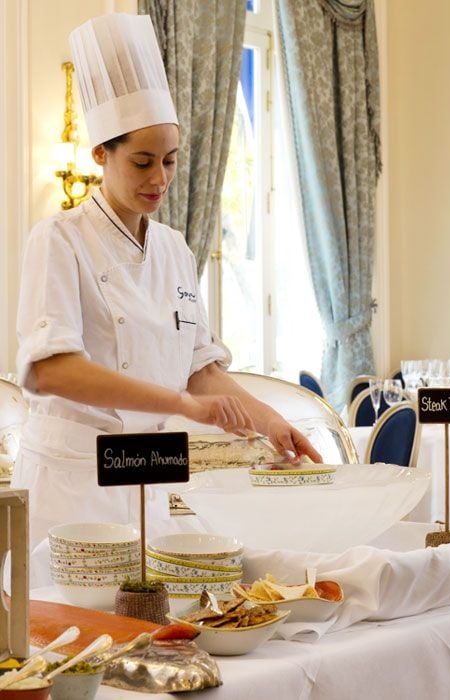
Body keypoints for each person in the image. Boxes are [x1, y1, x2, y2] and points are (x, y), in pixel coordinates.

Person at [12, 13, 321, 563]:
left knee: (158, 629)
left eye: (171, 162)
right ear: (100, 156)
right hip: (73, 484)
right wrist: (181, 405)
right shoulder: (58, 239)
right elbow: (54, 368)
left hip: (151, 479)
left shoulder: (175, 249)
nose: (159, 179)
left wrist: (274, 423)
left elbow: (200, 368)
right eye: (142, 162)